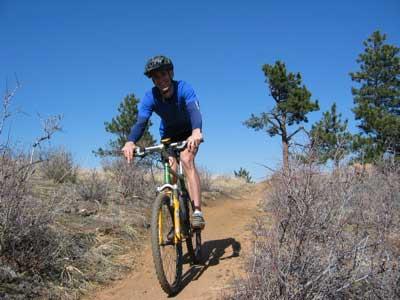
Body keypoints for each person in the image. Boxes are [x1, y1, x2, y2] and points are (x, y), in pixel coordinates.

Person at [122, 55, 205, 229]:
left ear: (171, 73)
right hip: (168, 135)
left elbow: (194, 110)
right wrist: (130, 141)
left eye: (163, 75)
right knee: (171, 170)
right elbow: (141, 122)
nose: (161, 80)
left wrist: (196, 131)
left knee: (186, 160)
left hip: (189, 132)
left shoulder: (183, 88)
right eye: (156, 77)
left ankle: (197, 212)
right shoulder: (150, 96)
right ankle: (177, 221)